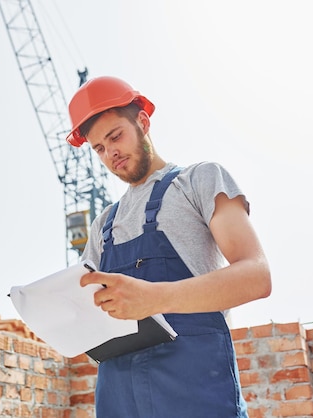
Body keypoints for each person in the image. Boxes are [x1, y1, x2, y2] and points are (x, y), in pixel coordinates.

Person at [65, 76, 272, 417]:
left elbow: (257, 276)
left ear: (143, 122)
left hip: (197, 395)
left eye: (115, 135)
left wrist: (154, 298)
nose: (110, 152)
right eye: (99, 148)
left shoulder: (199, 180)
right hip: (120, 400)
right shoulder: (104, 224)